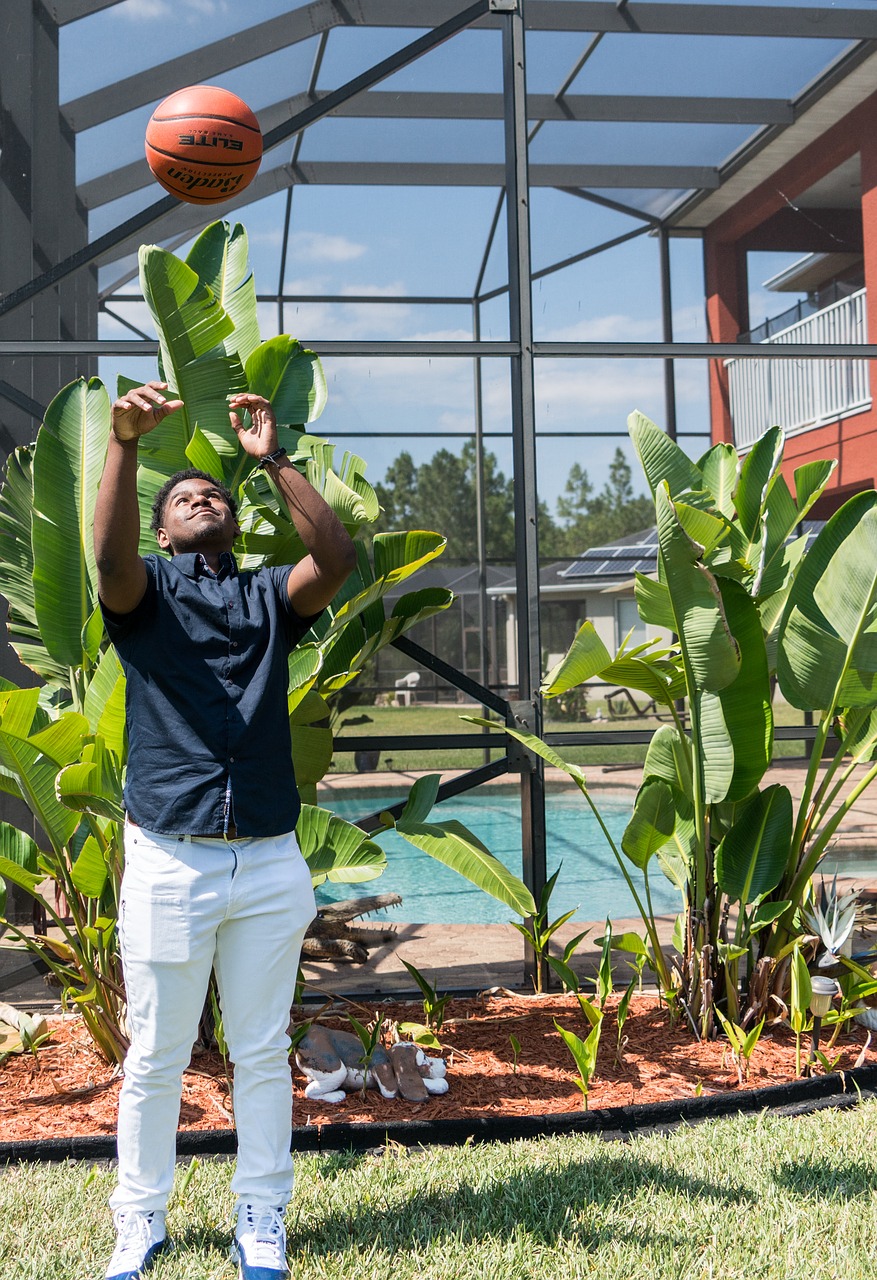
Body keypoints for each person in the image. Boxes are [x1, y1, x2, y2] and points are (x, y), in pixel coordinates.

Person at [93, 382, 356, 1280]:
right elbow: (105, 559)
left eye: (216, 495)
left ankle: (261, 1215)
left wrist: (272, 460)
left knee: (259, 1049)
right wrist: (126, 446)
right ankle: (139, 1219)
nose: (203, 497)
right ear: (163, 531)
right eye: (183, 498)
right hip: (170, 856)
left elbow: (337, 555)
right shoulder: (146, 594)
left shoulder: (268, 600)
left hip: (271, 862)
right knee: (158, 1053)